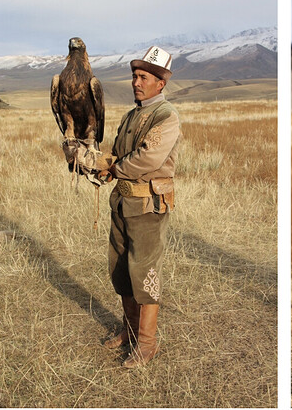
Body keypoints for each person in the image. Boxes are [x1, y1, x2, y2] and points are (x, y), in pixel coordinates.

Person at [98, 46, 181, 368]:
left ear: (161, 83)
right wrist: (100, 166)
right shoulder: (132, 115)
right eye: (134, 76)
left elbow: (148, 157)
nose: (136, 82)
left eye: (144, 77)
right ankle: (130, 331)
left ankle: (147, 343)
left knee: (144, 270)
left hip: (148, 205)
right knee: (120, 268)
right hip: (121, 201)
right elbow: (120, 154)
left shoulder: (166, 115)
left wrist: (114, 169)